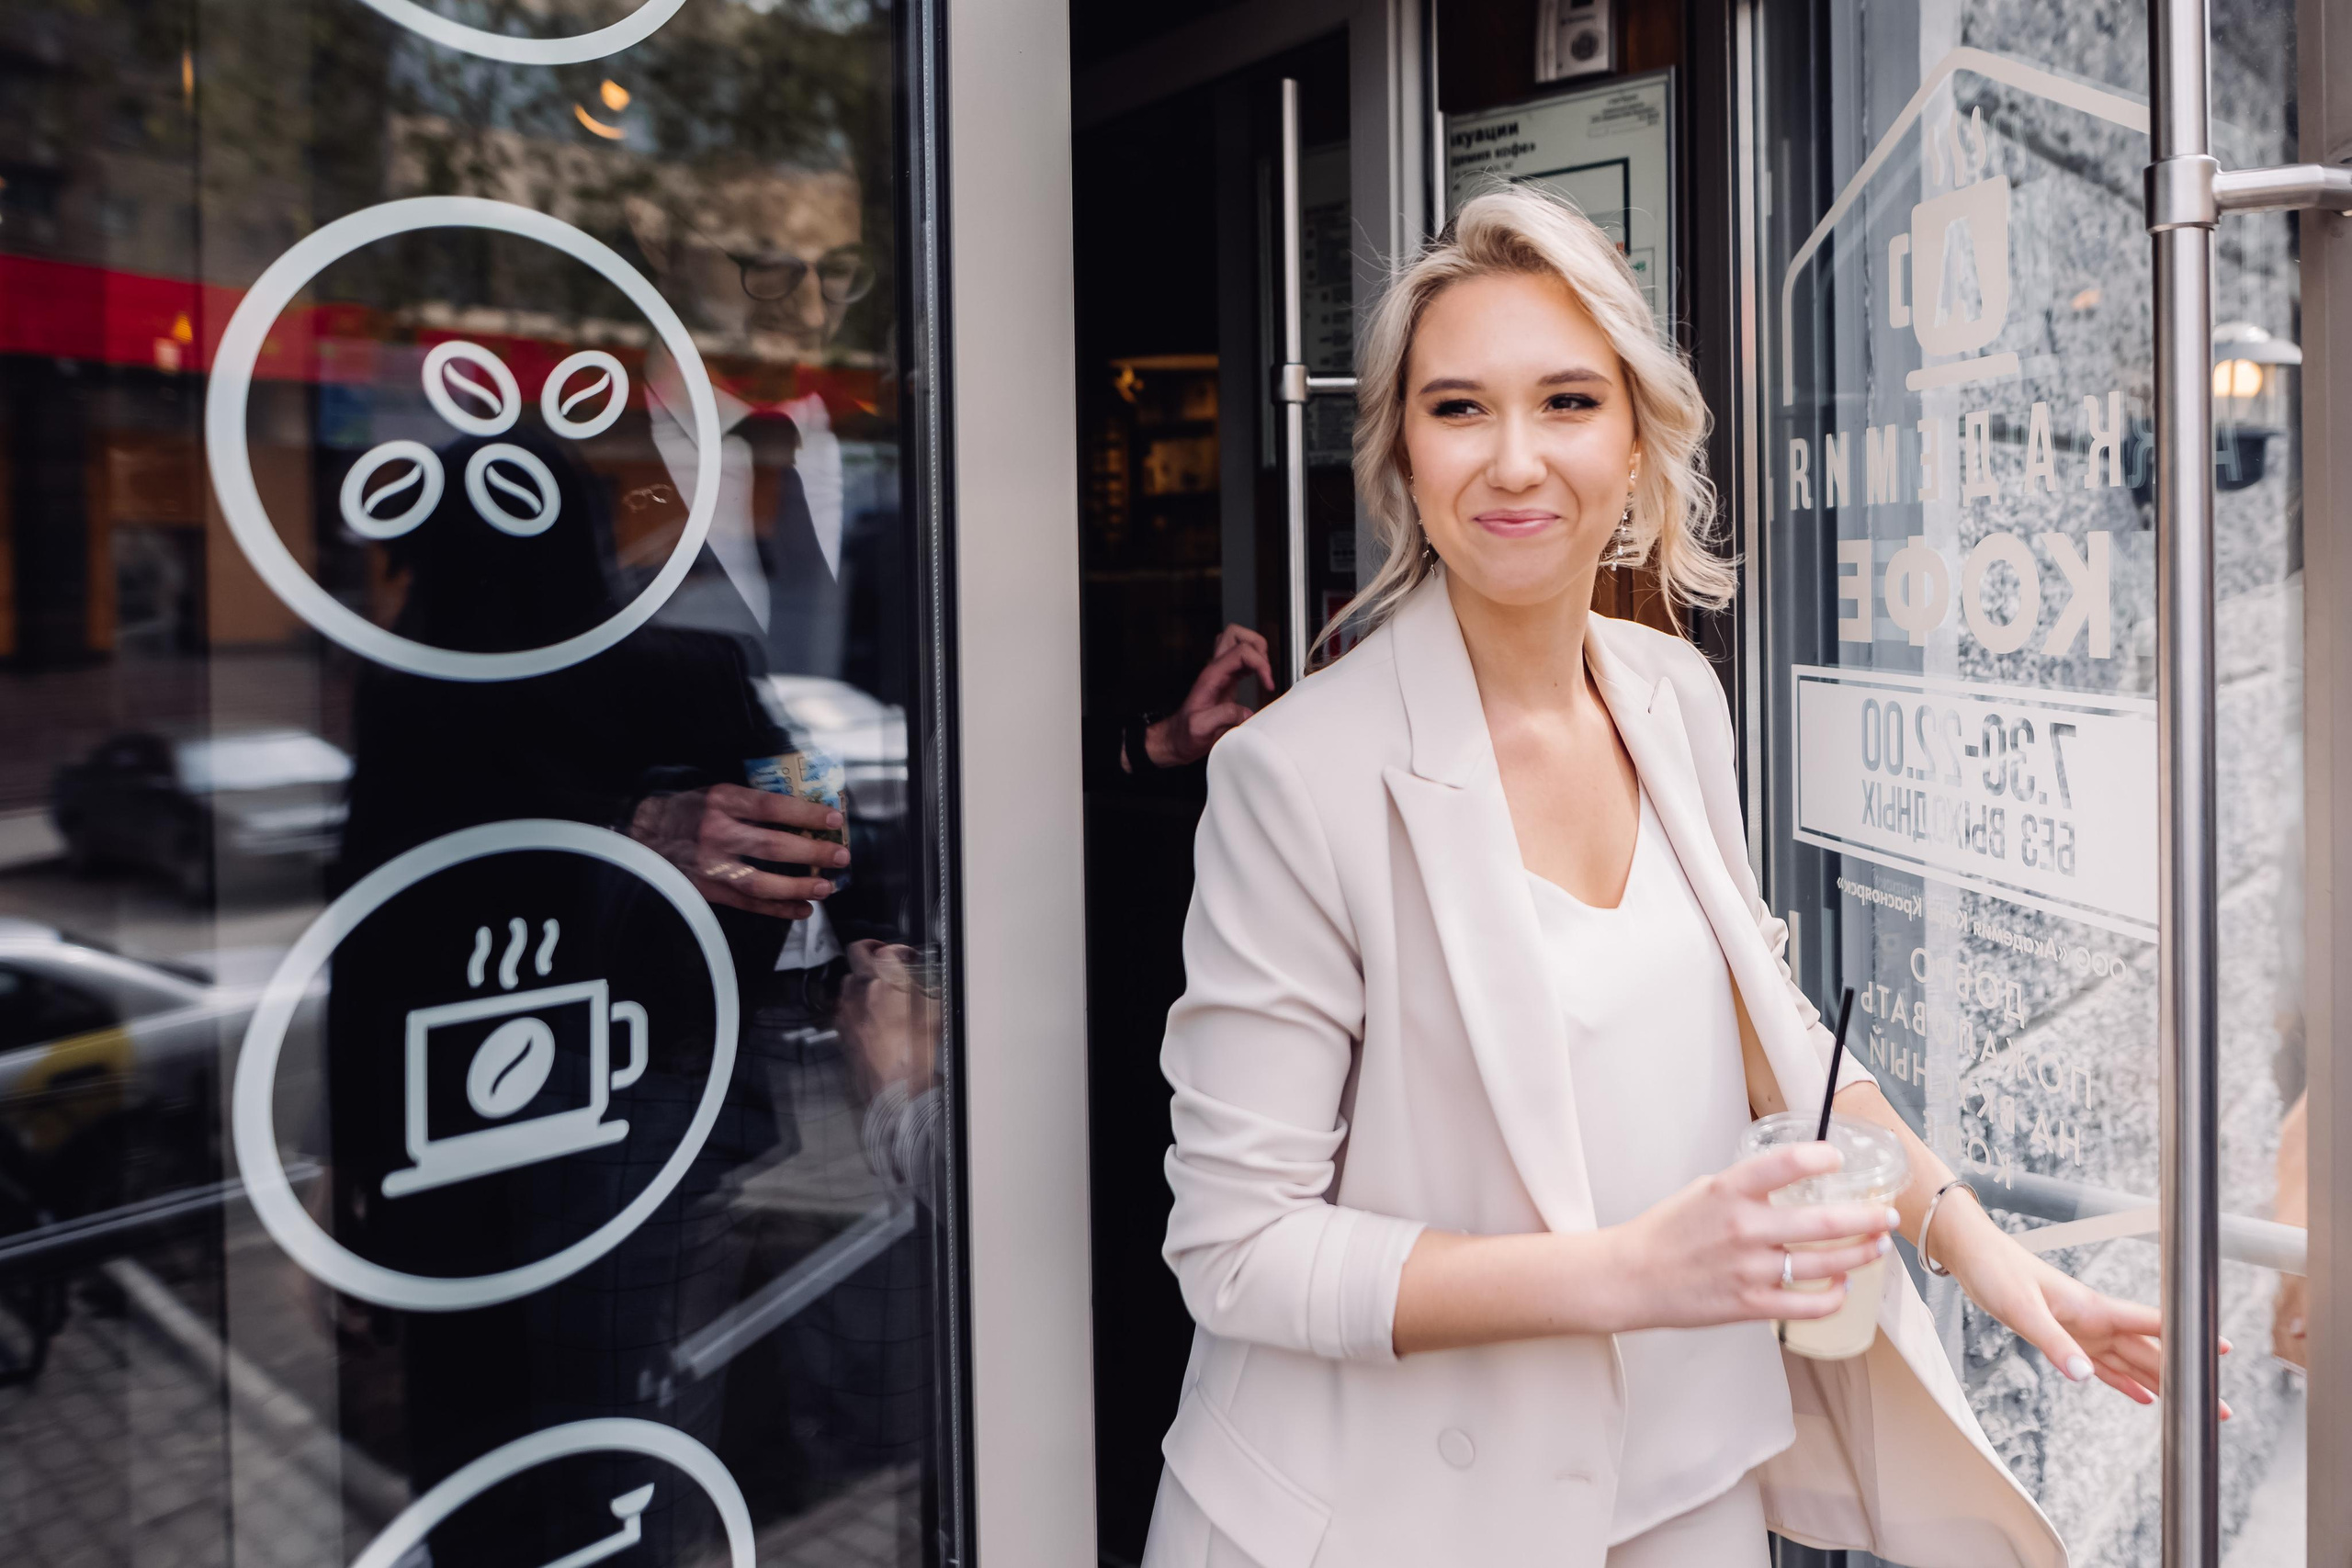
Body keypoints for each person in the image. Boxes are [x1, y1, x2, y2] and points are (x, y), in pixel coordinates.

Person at [1142, 186, 2216, 1568]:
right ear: (1402, 453)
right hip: (1398, 1515)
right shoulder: (1295, 779)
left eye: (1568, 402)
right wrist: (1635, 1274)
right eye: (1459, 408)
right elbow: (1237, 1250)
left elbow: (1778, 1043)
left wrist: (1980, 1251)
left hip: (1690, 1481)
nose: (1514, 460)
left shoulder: (1670, 694)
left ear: (1638, 440)